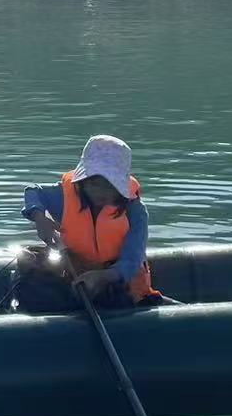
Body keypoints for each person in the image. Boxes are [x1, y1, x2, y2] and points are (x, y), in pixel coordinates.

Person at [16, 133, 161, 313]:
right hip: (77, 272)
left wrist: (104, 277)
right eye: (93, 183)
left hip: (119, 281)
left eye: (109, 185)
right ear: (83, 181)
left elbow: (133, 259)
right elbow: (33, 191)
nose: (100, 192)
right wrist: (39, 218)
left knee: (114, 299)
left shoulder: (135, 211)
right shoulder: (65, 197)